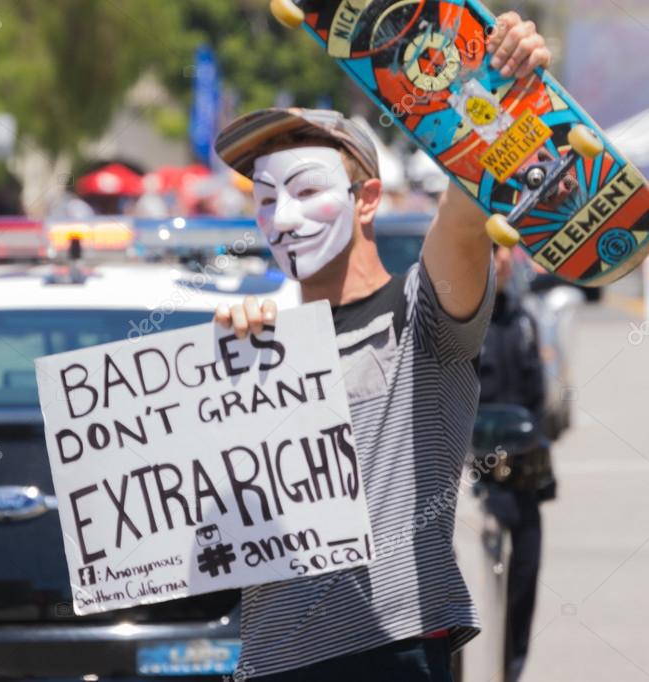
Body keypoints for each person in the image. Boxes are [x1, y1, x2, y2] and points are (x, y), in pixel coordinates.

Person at [210, 13, 551, 682]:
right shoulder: (255, 342)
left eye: (307, 190)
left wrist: (501, 95)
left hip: (390, 654)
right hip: (268, 661)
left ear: (365, 199)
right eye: (265, 197)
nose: (282, 217)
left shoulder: (418, 318)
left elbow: (461, 217)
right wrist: (223, 376)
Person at [478, 244, 555, 682]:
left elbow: (539, 400)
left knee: (523, 581)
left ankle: (509, 671)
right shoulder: (456, 322)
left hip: (522, 476)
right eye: (491, 248)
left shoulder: (523, 317)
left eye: (506, 250)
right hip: (472, 478)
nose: (501, 259)